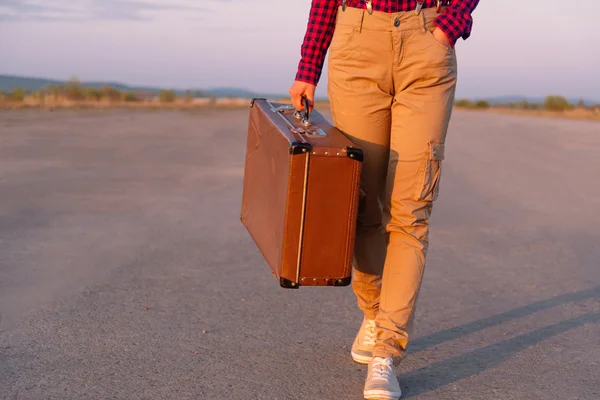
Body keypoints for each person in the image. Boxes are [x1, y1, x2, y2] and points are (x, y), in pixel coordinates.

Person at [289, 1, 480, 399]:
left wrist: (452, 22)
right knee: (358, 202)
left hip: (427, 42)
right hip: (358, 40)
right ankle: (374, 312)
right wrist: (308, 68)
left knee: (411, 211)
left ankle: (387, 351)